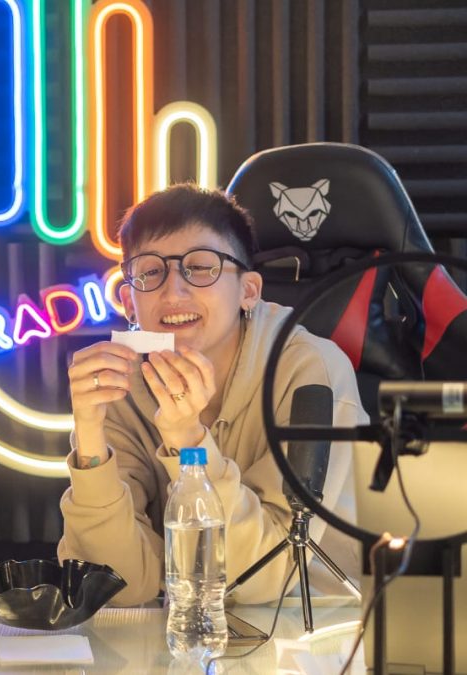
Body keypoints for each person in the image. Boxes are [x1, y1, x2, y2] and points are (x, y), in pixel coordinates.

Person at [58, 183, 362, 606]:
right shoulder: (121, 386)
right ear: (129, 301)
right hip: (184, 641)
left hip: (319, 640)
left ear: (249, 290)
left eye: (201, 267)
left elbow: (263, 577)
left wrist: (189, 440)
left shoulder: (312, 372)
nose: (173, 291)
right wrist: (89, 440)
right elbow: (116, 587)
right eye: (150, 272)